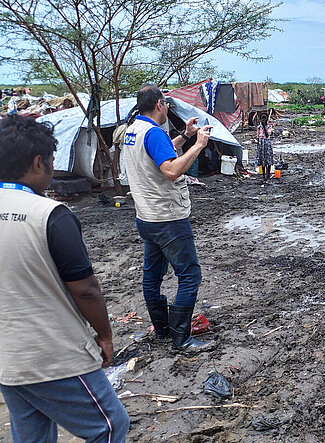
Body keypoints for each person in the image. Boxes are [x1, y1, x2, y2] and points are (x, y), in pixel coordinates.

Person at [0, 115, 129, 442]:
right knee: (111, 426)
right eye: (52, 161)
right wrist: (105, 334)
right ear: (37, 163)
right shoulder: (50, 215)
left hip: (8, 360)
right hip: (52, 355)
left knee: (32, 434)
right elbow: (85, 291)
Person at [124, 84, 213, 351]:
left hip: (147, 217)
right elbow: (171, 170)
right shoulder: (153, 133)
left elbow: (158, 155)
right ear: (160, 104)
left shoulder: (134, 130)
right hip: (168, 218)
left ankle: (162, 330)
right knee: (189, 275)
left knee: (152, 275)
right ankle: (182, 338)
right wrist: (198, 146)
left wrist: (185, 137)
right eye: (167, 104)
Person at [255, 113, 274, 181]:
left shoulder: (269, 126)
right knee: (262, 159)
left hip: (267, 143)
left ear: (267, 119)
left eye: (265, 118)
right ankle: (263, 175)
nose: (263, 120)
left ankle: (268, 174)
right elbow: (257, 136)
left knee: (268, 159)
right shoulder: (259, 127)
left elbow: (267, 135)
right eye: (262, 118)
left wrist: (264, 126)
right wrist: (258, 145)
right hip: (261, 143)